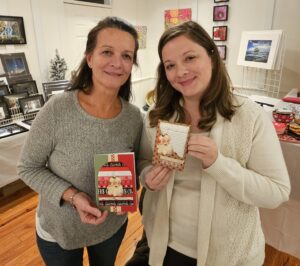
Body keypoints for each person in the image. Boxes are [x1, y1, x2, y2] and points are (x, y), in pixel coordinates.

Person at [137, 21, 290, 266]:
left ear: (212, 56)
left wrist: (219, 164)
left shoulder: (249, 117)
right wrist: (147, 176)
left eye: (190, 58)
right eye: (170, 65)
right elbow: (144, 161)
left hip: (228, 255)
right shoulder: (159, 115)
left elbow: (277, 192)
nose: (181, 71)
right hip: (163, 246)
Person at [17, 16, 143, 266]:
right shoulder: (58, 109)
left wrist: (142, 178)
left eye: (127, 56)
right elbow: (27, 167)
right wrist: (73, 196)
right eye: (107, 52)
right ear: (89, 58)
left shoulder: (133, 117)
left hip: (110, 228)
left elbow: (136, 167)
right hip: (59, 231)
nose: (117, 63)